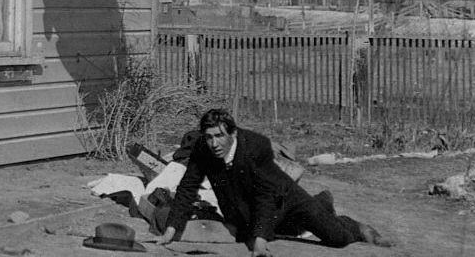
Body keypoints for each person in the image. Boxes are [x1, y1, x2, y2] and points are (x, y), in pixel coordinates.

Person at [157, 109, 392, 255]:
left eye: (220, 136)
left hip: (284, 196)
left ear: (233, 134)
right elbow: (188, 189)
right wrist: (171, 229)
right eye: (209, 137)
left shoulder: (255, 147)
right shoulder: (203, 148)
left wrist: (259, 243)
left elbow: (265, 196)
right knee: (263, 233)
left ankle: (356, 226)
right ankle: (322, 202)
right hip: (245, 208)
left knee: (336, 239)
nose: (214, 143)